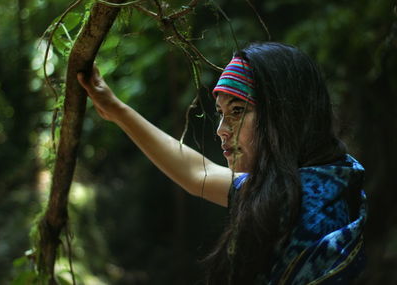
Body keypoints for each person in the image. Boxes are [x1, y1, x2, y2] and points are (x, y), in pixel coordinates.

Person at [77, 42, 367, 284]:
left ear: (283, 115)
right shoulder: (330, 180)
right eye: (220, 113)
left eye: (238, 111)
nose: (221, 129)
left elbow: (196, 174)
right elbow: (195, 172)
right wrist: (115, 109)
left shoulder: (297, 200)